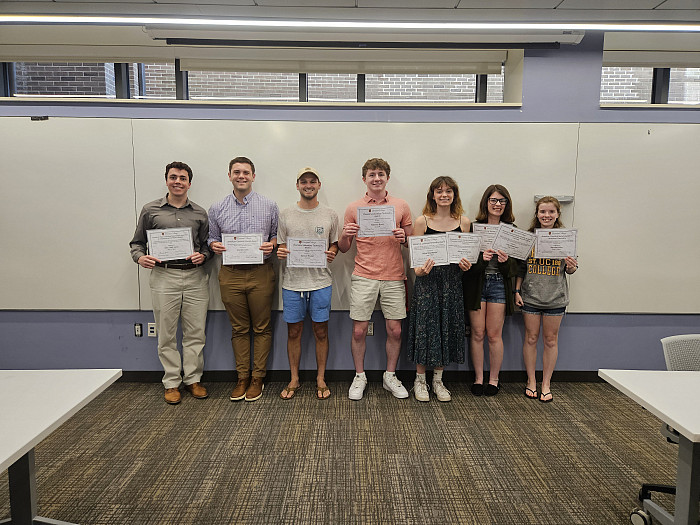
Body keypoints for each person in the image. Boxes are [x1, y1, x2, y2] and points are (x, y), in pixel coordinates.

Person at [129, 161, 211, 405]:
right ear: (166, 180)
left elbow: (207, 245)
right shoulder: (150, 210)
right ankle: (172, 382)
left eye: (183, 178)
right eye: (173, 177)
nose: (178, 181)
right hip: (164, 276)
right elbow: (136, 243)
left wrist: (204, 255)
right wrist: (140, 257)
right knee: (166, 333)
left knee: (196, 331)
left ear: (189, 183)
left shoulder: (199, 212)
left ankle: (193, 379)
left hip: (195, 277)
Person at [338, 158, 413, 401]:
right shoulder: (353, 208)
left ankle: (389, 375)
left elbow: (413, 242)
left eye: (381, 174)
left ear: (387, 178)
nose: (377, 178)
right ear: (364, 179)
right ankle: (359, 375)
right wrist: (346, 235)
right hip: (364, 275)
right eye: (372, 175)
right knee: (359, 331)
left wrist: (404, 237)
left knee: (395, 329)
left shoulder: (400, 205)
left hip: (393, 275)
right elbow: (343, 248)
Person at [208, 156, 279, 402]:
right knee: (239, 328)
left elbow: (275, 237)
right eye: (236, 172)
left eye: (246, 172)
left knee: (261, 327)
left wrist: (271, 245)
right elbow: (210, 238)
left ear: (253, 176)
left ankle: (258, 378)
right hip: (231, 274)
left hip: (261, 273)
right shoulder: (217, 208)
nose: (241, 176)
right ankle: (242, 377)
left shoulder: (269, 206)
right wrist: (214, 245)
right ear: (229, 175)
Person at [276, 167, 340, 400]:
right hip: (292, 283)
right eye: (304, 181)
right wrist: (281, 252)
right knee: (294, 331)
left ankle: (320, 378)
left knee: (321, 331)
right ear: (297, 185)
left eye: (313, 181)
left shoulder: (330, 214)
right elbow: (281, 245)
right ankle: (294, 378)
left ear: (319, 185)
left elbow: (334, 244)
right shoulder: (286, 214)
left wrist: (332, 252)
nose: (308, 185)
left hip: (321, 282)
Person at [407, 177, 472, 402]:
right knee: (425, 330)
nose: (444, 195)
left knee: (446, 328)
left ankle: (438, 380)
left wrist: (466, 267)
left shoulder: (464, 222)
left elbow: (466, 257)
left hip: (452, 284)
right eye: (439, 191)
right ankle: (420, 380)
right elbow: (415, 263)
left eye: (448, 191)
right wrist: (420, 272)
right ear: (432, 195)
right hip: (427, 283)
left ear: (455, 195)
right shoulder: (421, 222)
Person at [515, 196, 578, 403]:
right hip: (530, 296)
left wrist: (570, 266)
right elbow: (521, 268)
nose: (546, 215)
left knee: (551, 340)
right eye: (542, 212)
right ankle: (531, 381)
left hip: (555, 298)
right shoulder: (528, 237)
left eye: (551, 212)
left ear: (558, 214)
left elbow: (571, 269)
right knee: (531, 338)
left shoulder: (565, 238)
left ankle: (546, 384)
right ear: (537, 214)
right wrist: (516, 291)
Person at [462, 184, 518, 397]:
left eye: (502, 201)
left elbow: (515, 268)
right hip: (478, 284)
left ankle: (494, 379)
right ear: (486, 202)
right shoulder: (473, 228)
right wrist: (481, 260)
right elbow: (466, 267)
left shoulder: (511, 230)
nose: (497, 204)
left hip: (498, 285)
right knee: (477, 333)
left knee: (494, 335)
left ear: (507, 204)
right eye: (493, 200)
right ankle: (478, 378)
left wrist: (504, 262)